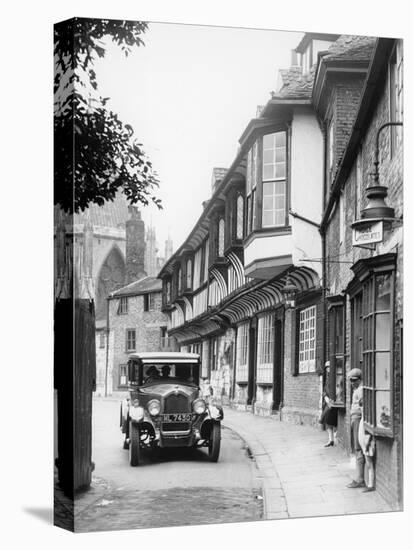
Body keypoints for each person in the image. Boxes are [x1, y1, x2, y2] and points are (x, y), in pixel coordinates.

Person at [346, 368, 367, 489]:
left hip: (358, 420)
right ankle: (359, 477)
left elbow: (362, 407)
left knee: (358, 448)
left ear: (359, 379)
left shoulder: (361, 390)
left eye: (354, 380)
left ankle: (360, 479)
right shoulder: (357, 390)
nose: (352, 383)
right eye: (350, 380)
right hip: (355, 419)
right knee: (356, 448)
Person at [319, 361, 338, 447]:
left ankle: (334, 438)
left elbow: (339, 389)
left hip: (334, 402)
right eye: (327, 368)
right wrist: (325, 397)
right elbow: (324, 390)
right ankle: (331, 440)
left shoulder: (336, 377)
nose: (328, 369)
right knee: (326, 420)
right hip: (328, 402)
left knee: (331, 420)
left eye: (329, 367)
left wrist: (333, 399)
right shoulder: (328, 378)